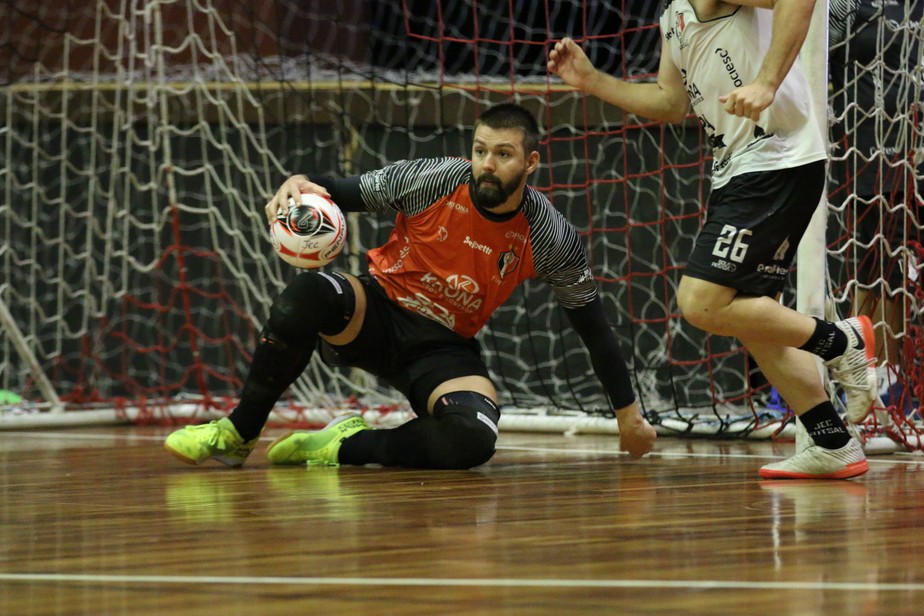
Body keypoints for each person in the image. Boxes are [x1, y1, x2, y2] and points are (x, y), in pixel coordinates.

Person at [164, 102, 657, 470]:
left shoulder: (549, 235)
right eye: (480, 150)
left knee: (475, 439)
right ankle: (238, 433)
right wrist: (297, 183)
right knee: (304, 297)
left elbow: (594, 329)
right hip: (375, 312)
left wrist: (628, 418)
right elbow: (340, 189)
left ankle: (343, 445)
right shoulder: (435, 179)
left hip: (442, 347)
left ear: (530, 164)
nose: (487, 163)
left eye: (503, 154)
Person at [548, 0, 876, 479]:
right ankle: (832, 440)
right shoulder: (674, 16)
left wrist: (765, 82)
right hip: (738, 173)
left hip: (776, 160)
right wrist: (592, 81)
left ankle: (840, 341)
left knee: (700, 302)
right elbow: (670, 102)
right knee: (749, 314)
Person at [828, 0, 923, 408]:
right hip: (871, 151)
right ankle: (877, 378)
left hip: (914, 148)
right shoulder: (840, 6)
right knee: (879, 268)